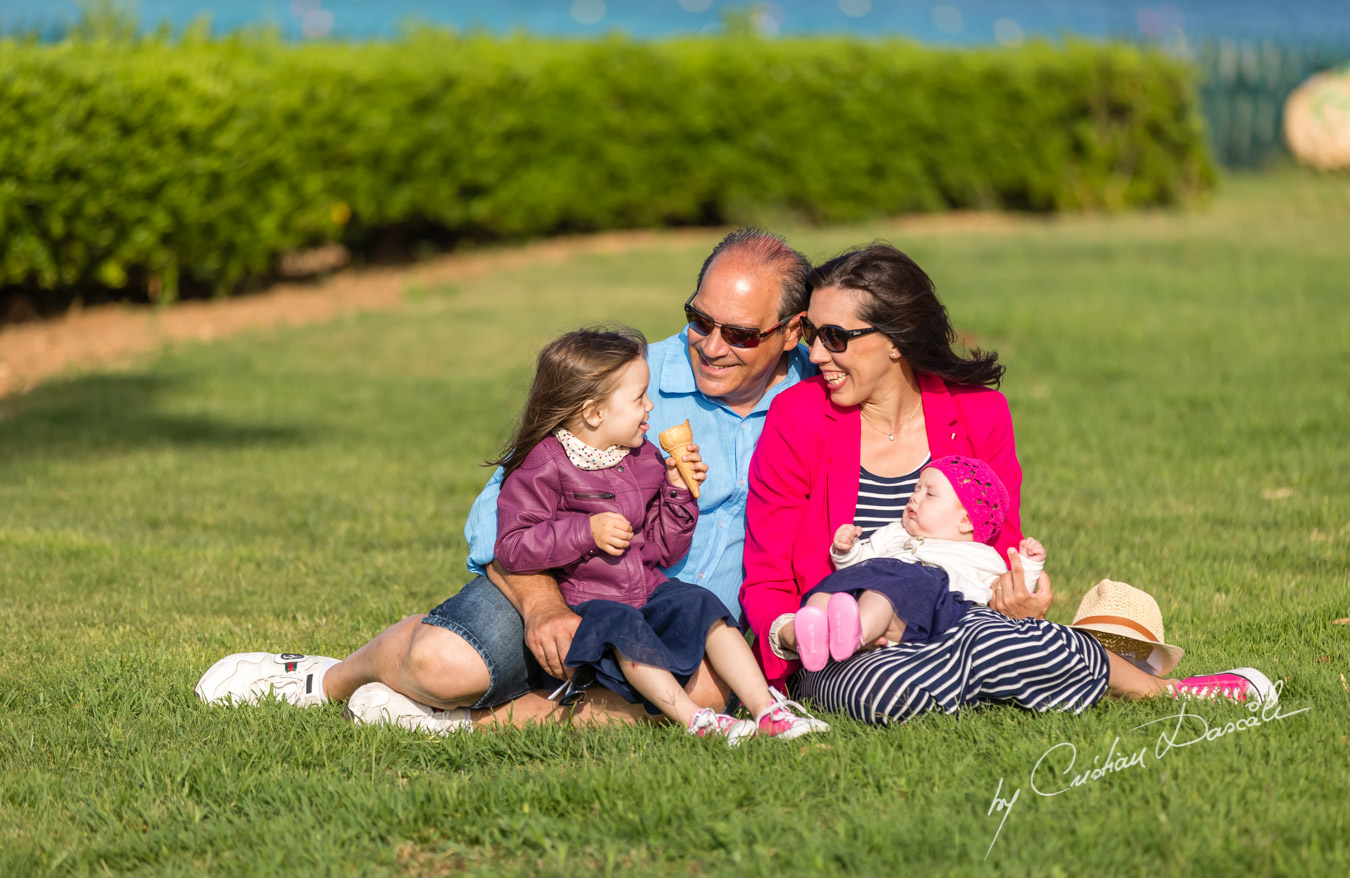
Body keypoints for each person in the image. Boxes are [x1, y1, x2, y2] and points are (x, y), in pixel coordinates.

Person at [195, 228, 816, 731]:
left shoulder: (814, 406)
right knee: (442, 664)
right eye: (698, 320)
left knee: (688, 706)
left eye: (737, 334)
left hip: (675, 619)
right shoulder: (626, 379)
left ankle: (459, 727)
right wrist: (543, 604)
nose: (708, 346)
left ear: (791, 333)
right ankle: (326, 678)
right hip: (565, 587)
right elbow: (498, 511)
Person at [740, 243, 1274, 725]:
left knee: (1004, 639)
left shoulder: (980, 413)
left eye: (836, 338)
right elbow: (766, 577)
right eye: (813, 334)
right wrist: (790, 637)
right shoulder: (797, 417)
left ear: (896, 342)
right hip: (847, 649)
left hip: (960, 623)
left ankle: (1168, 694)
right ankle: (1022, 678)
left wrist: (1015, 601)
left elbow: (997, 546)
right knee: (884, 691)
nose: (815, 355)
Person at [491, 326, 828, 743]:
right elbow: (511, 547)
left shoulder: (644, 457)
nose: (651, 407)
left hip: (647, 587)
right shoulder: (544, 464)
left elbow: (663, 550)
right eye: (639, 399)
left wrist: (679, 493)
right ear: (594, 413)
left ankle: (768, 709)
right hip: (589, 602)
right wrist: (584, 531)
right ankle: (697, 720)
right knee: (626, 631)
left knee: (704, 606)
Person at [794, 455, 1045, 670]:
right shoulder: (894, 532)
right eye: (916, 489)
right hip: (870, 585)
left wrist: (1030, 566)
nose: (914, 498)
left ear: (966, 521)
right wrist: (847, 551)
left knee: (882, 594)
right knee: (827, 592)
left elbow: (1004, 592)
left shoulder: (979, 554)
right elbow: (861, 563)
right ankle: (814, 636)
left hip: (913, 604)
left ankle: (853, 636)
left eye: (930, 494)